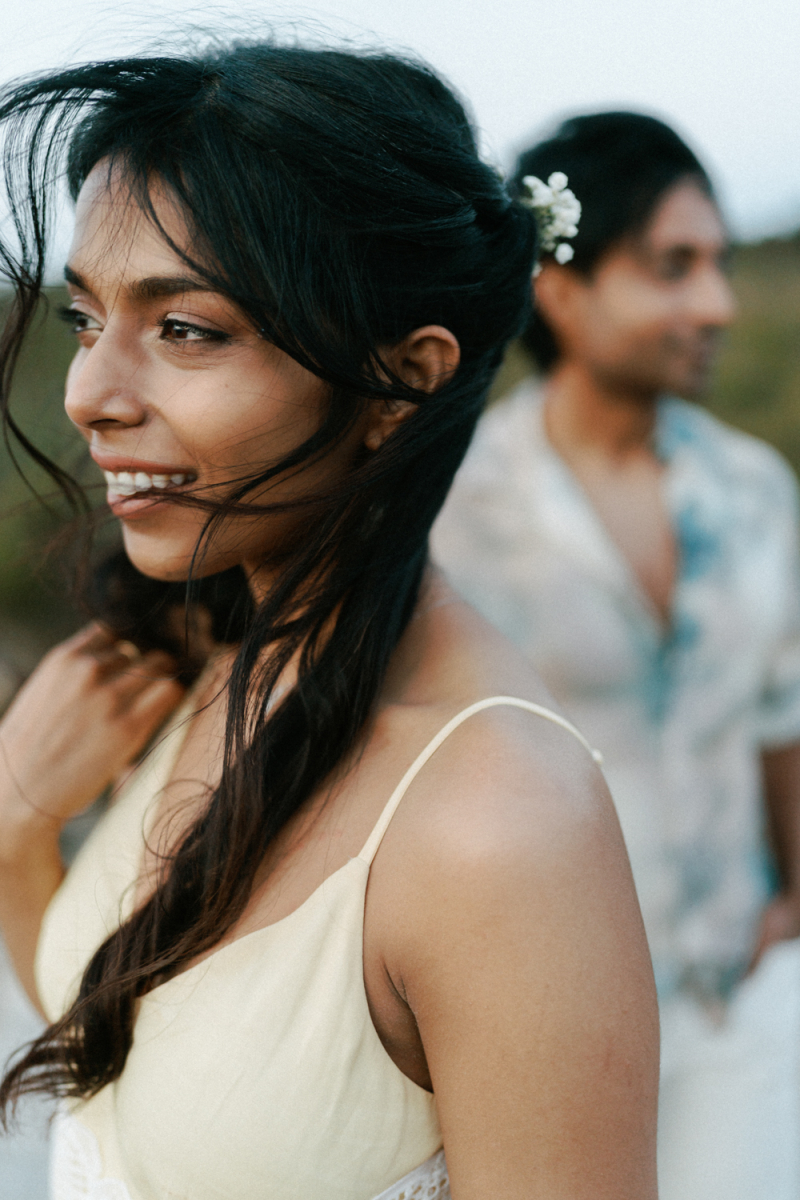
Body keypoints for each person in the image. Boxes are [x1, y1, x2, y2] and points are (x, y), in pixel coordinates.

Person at [0, 48, 658, 1200]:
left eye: (187, 329)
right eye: (83, 314)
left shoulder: (501, 828)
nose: (88, 393)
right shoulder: (194, 661)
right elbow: (128, 1084)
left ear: (400, 382)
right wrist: (16, 826)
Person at [433, 111, 800, 1200]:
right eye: (671, 267)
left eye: (720, 266)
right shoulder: (460, 507)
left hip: (740, 988)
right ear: (561, 290)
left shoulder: (750, 488)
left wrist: (790, 911)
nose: (716, 305)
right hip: (545, 1023)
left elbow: (779, 715)